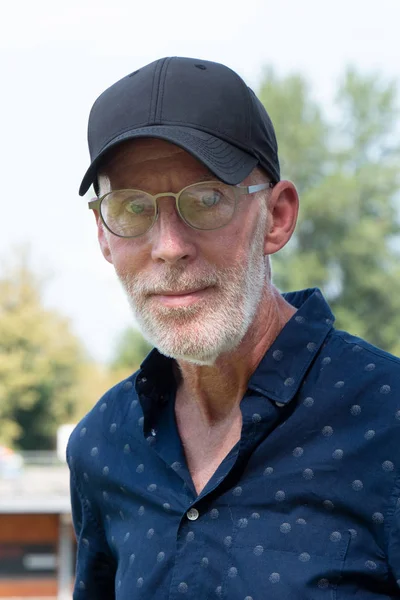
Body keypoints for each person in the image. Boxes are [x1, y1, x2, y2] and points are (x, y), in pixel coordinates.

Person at [67, 56, 400, 599]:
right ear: (104, 237)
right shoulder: (102, 445)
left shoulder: (388, 421)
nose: (169, 247)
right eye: (131, 209)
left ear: (278, 216)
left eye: (207, 200)